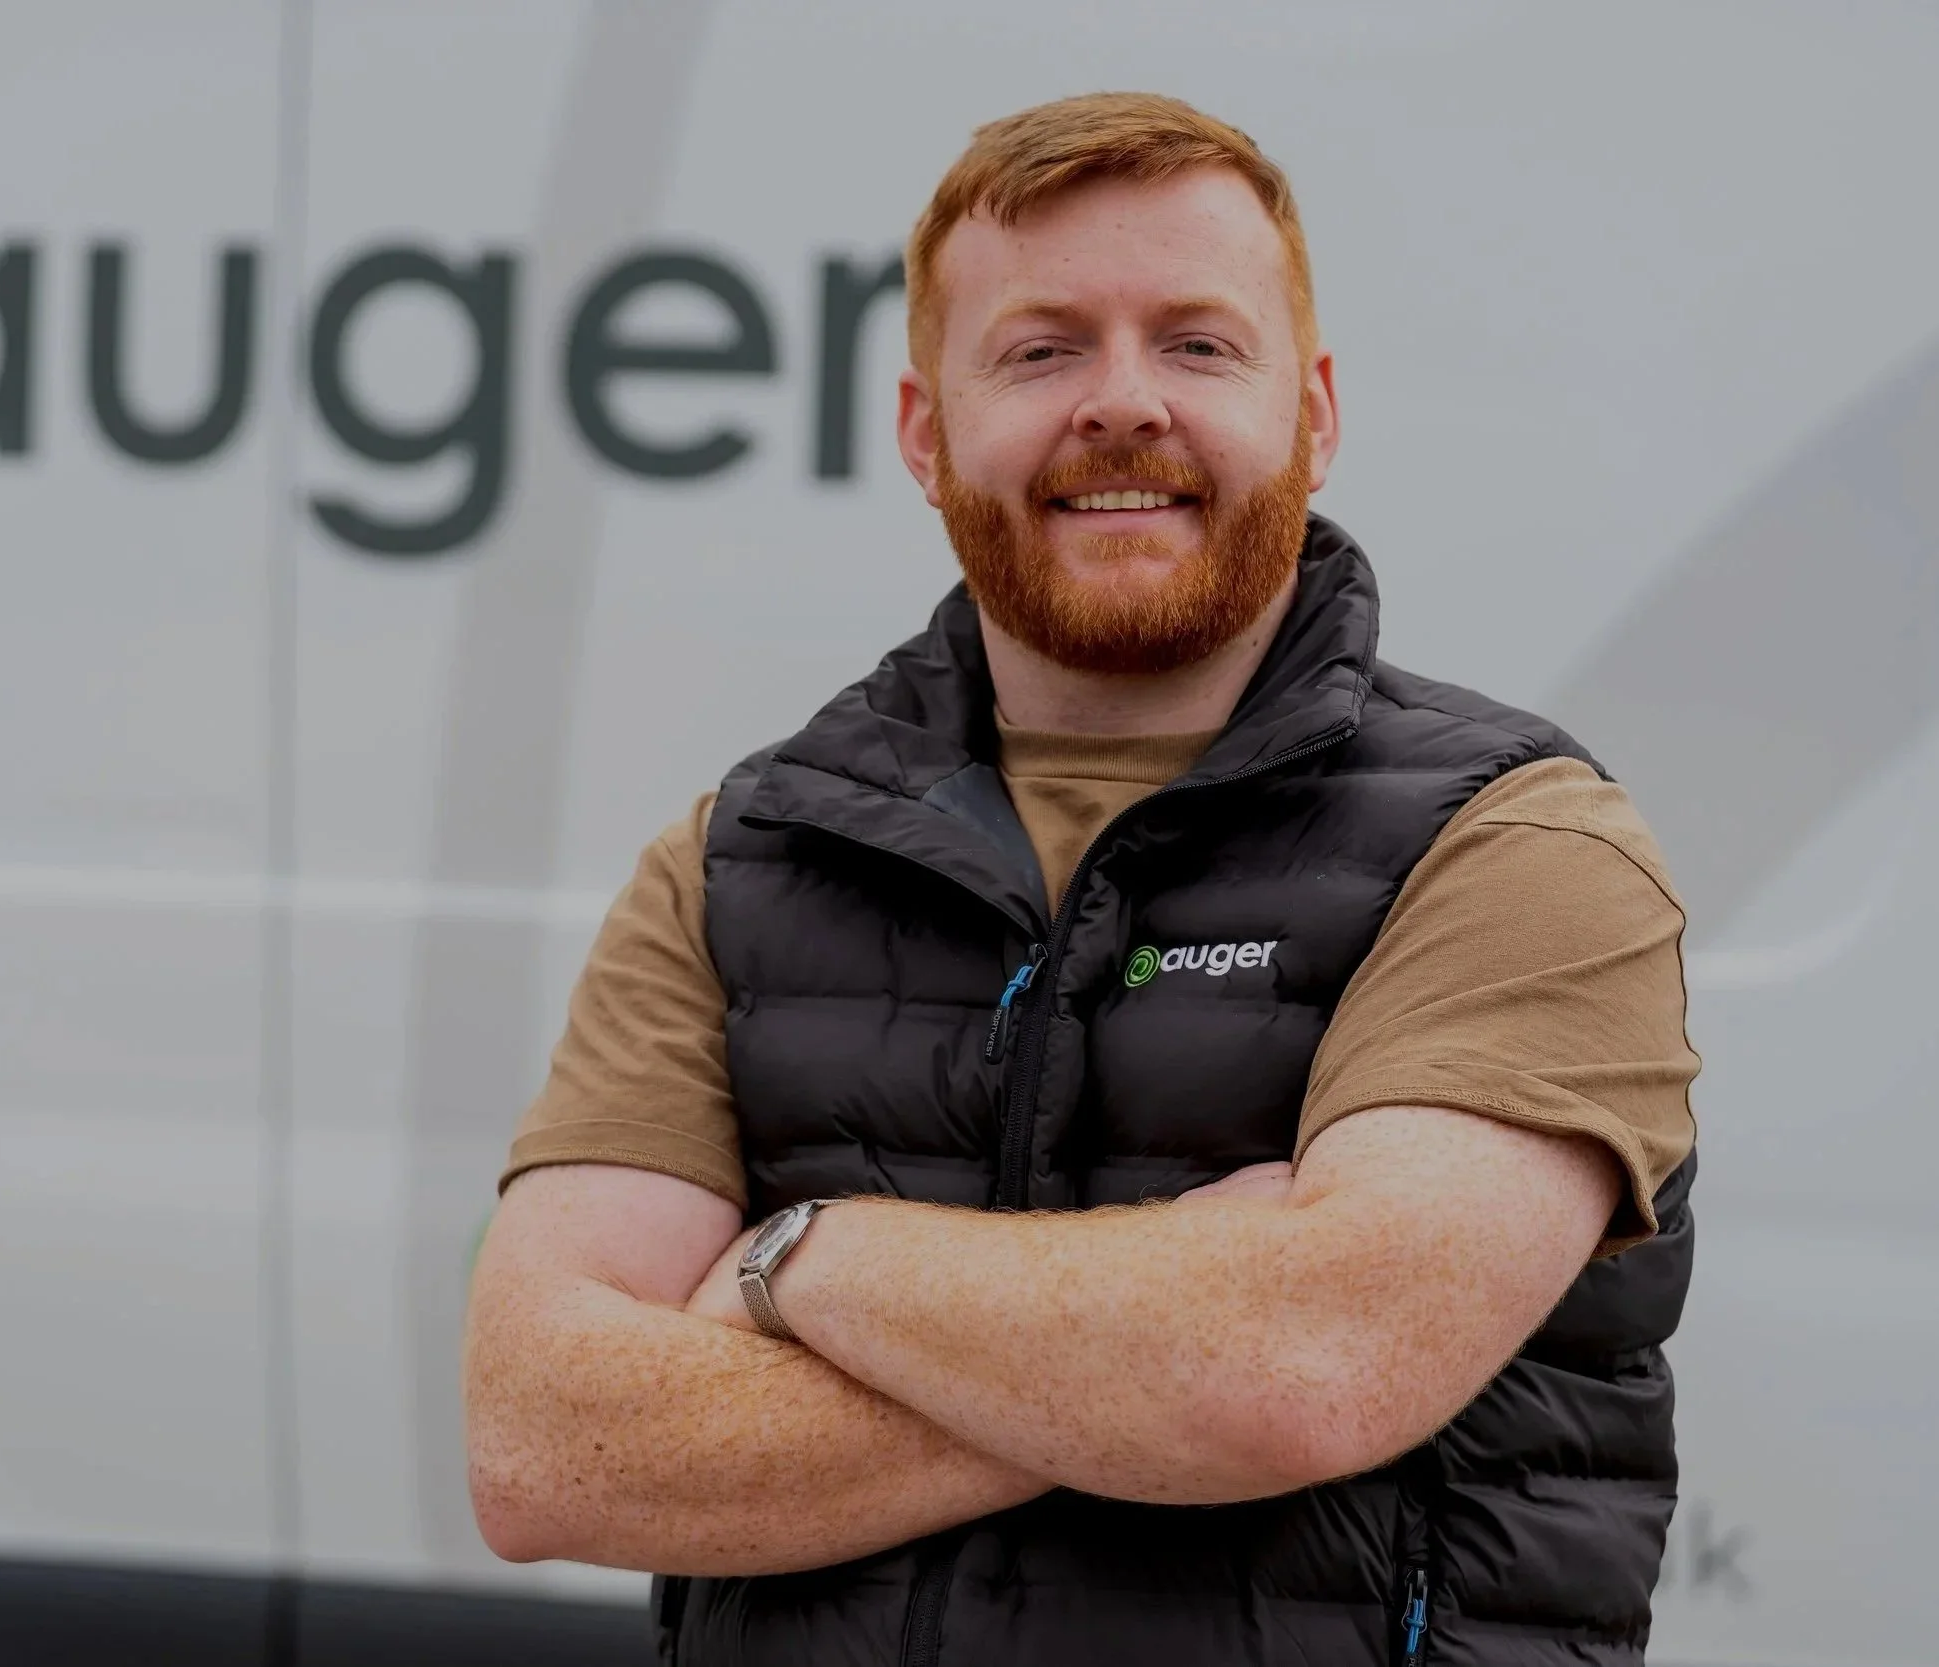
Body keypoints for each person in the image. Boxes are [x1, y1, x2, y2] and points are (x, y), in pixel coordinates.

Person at [463, 91, 1698, 1666]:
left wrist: (803, 1258)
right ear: (926, 432)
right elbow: (541, 1442)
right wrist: (1166, 1352)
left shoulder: (1516, 847)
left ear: (1314, 413)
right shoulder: (740, 863)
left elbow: (1304, 1367)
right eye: (1042, 350)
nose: (1122, 403)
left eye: (1197, 343)